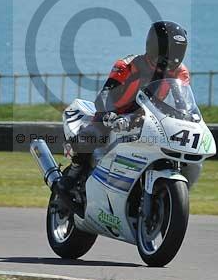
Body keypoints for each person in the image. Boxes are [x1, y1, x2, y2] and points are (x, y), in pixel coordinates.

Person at [57, 21, 190, 195]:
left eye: (178, 50)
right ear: (154, 46)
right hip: (114, 117)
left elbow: (182, 103)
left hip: (149, 120)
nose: (173, 56)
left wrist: (188, 117)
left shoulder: (180, 72)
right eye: (169, 49)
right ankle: (73, 172)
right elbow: (105, 94)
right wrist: (109, 114)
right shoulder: (129, 65)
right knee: (91, 138)